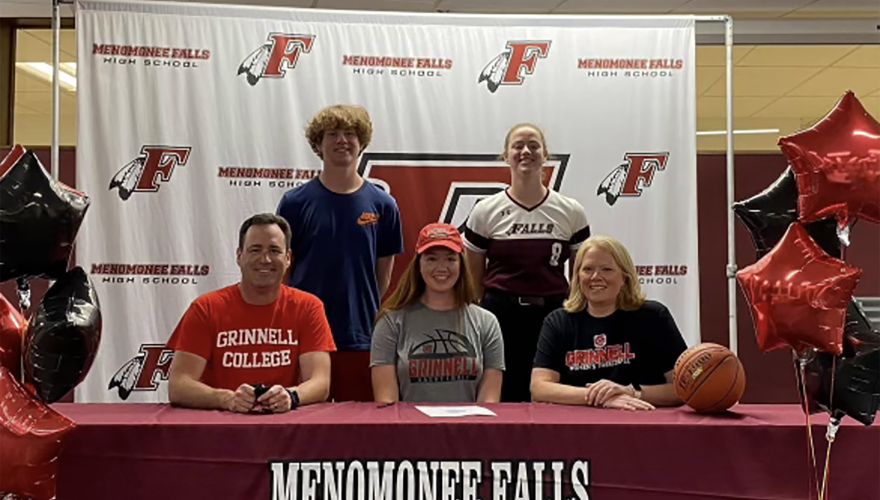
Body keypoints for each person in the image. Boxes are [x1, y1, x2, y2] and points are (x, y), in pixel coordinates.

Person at [276, 105, 403, 400]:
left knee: (357, 422)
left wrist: (360, 311)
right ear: (318, 144)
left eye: (349, 133)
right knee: (305, 419)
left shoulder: (384, 205)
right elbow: (284, 271)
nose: (342, 140)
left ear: (362, 142)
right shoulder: (294, 203)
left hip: (359, 336)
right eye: (332, 134)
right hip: (306, 335)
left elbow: (383, 276)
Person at [464, 123, 590, 402]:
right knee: (504, 396)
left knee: (553, 395)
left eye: (534, 146)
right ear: (505, 156)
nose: (526, 151)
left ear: (545, 155)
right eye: (518, 146)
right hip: (500, 316)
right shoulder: (485, 211)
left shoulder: (571, 211)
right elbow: (473, 282)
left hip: (553, 315)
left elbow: (581, 278)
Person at [167, 214, 336, 413]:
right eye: (255, 250)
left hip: (286, 424)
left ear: (288, 258)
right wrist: (226, 399)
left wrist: (291, 396)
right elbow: (179, 385)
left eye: (274, 250)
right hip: (220, 424)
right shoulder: (205, 308)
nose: (265, 259)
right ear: (239, 256)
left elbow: (320, 383)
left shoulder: (308, 307)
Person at [531, 235, 687, 410]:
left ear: (624, 278)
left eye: (607, 269)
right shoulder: (557, 321)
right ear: (578, 276)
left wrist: (632, 393)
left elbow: (683, 387)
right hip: (578, 422)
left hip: (641, 419)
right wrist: (601, 397)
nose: (596, 276)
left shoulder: (653, 317)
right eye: (588, 269)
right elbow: (539, 388)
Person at [371, 223, 504, 404]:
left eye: (450, 259)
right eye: (432, 259)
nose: (441, 267)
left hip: (470, 423)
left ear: (461, 264)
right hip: (410, 422)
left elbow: (489, 401)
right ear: (418, 264)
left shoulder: (487, 322)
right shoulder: (390, 322)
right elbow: (386, 401)